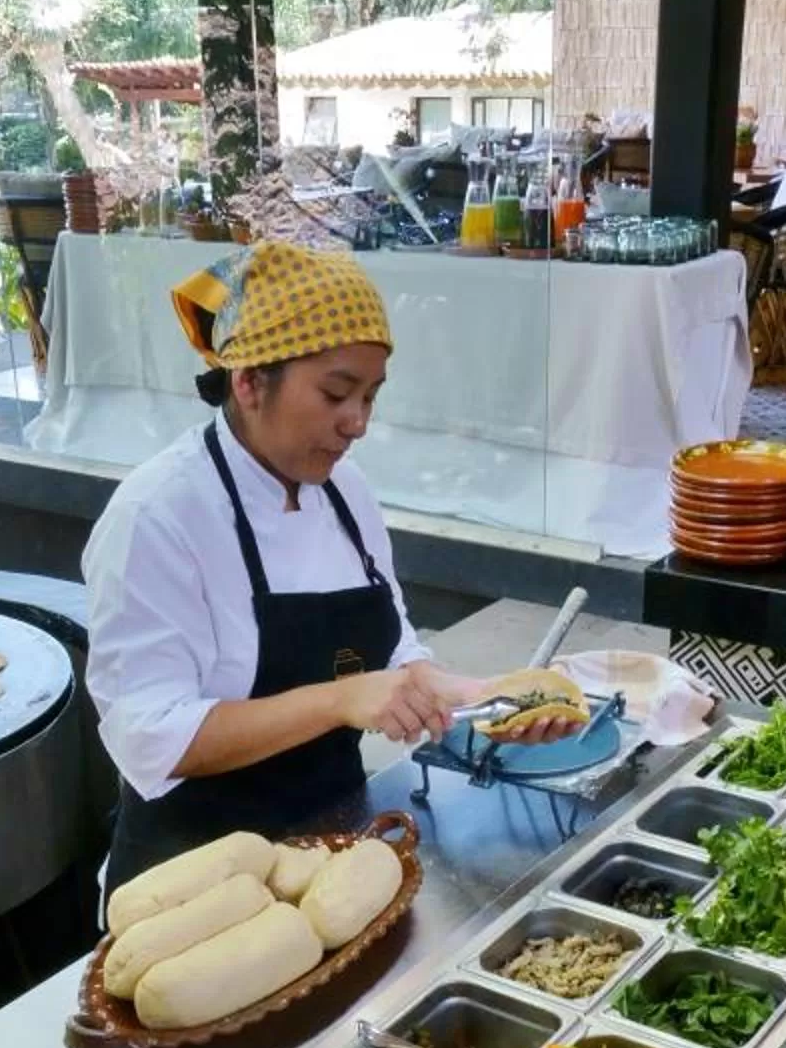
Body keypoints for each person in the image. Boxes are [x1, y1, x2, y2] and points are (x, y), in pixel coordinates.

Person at [81, 242, 573, 890]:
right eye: (337, 393)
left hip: (331, 845)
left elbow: (396, 652)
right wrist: (340, 699)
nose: (358, 423)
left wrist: (487, 701)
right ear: (250, 380)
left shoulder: (346, 493)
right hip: (193, 878)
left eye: (370, 396)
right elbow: (150, 737)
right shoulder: (159, 515)